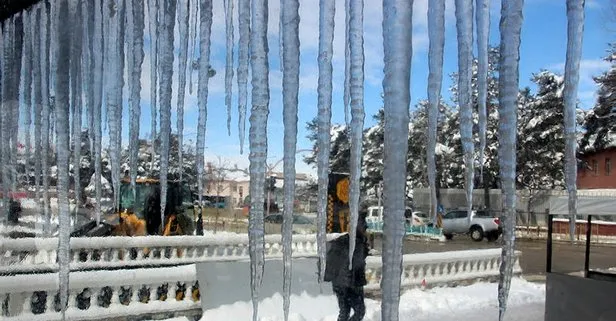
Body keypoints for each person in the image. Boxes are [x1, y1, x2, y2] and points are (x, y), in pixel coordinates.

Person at [324, 211, 370, 321]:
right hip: (349, 285)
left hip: (345, 283)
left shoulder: (357, 241)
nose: (365, 226)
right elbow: (333, 259)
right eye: (363, 223)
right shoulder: (347, 241)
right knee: (358, 311)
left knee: (345, 312)